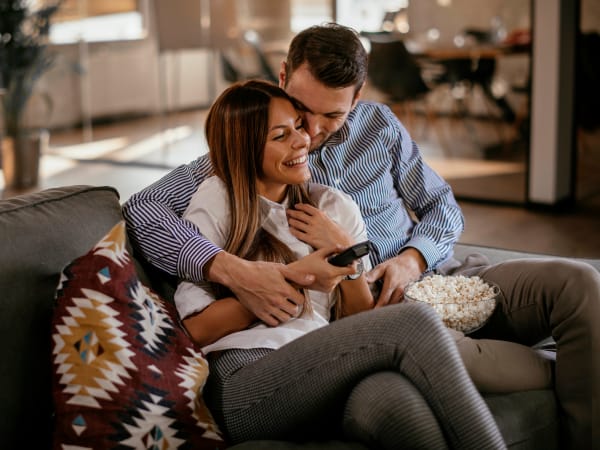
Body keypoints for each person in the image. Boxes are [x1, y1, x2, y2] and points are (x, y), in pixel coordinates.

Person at [123, 23, 599, 449]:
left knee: (580, 283)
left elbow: (442, 207)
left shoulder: (379, 130)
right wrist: (235, 270)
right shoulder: (237, 163)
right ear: (284, 78)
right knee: (402, 373)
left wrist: (413, 257)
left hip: (429, 280)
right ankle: (557, 368)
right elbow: (141, 208)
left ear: (358, 94)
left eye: (331, 116)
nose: (309, 132)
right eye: (300, 113)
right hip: (361, 323)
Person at [171, 79, 505, 448]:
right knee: (415, 322)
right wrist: (290, 280)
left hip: (319, 364)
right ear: (245, 149)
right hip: (244, 380)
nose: (302, 141)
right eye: (281, 136)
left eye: (298, 127)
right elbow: (198, 330)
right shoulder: (218, 201)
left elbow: (357, 318)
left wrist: (346, 254)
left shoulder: (333, 206)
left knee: (392, 399)